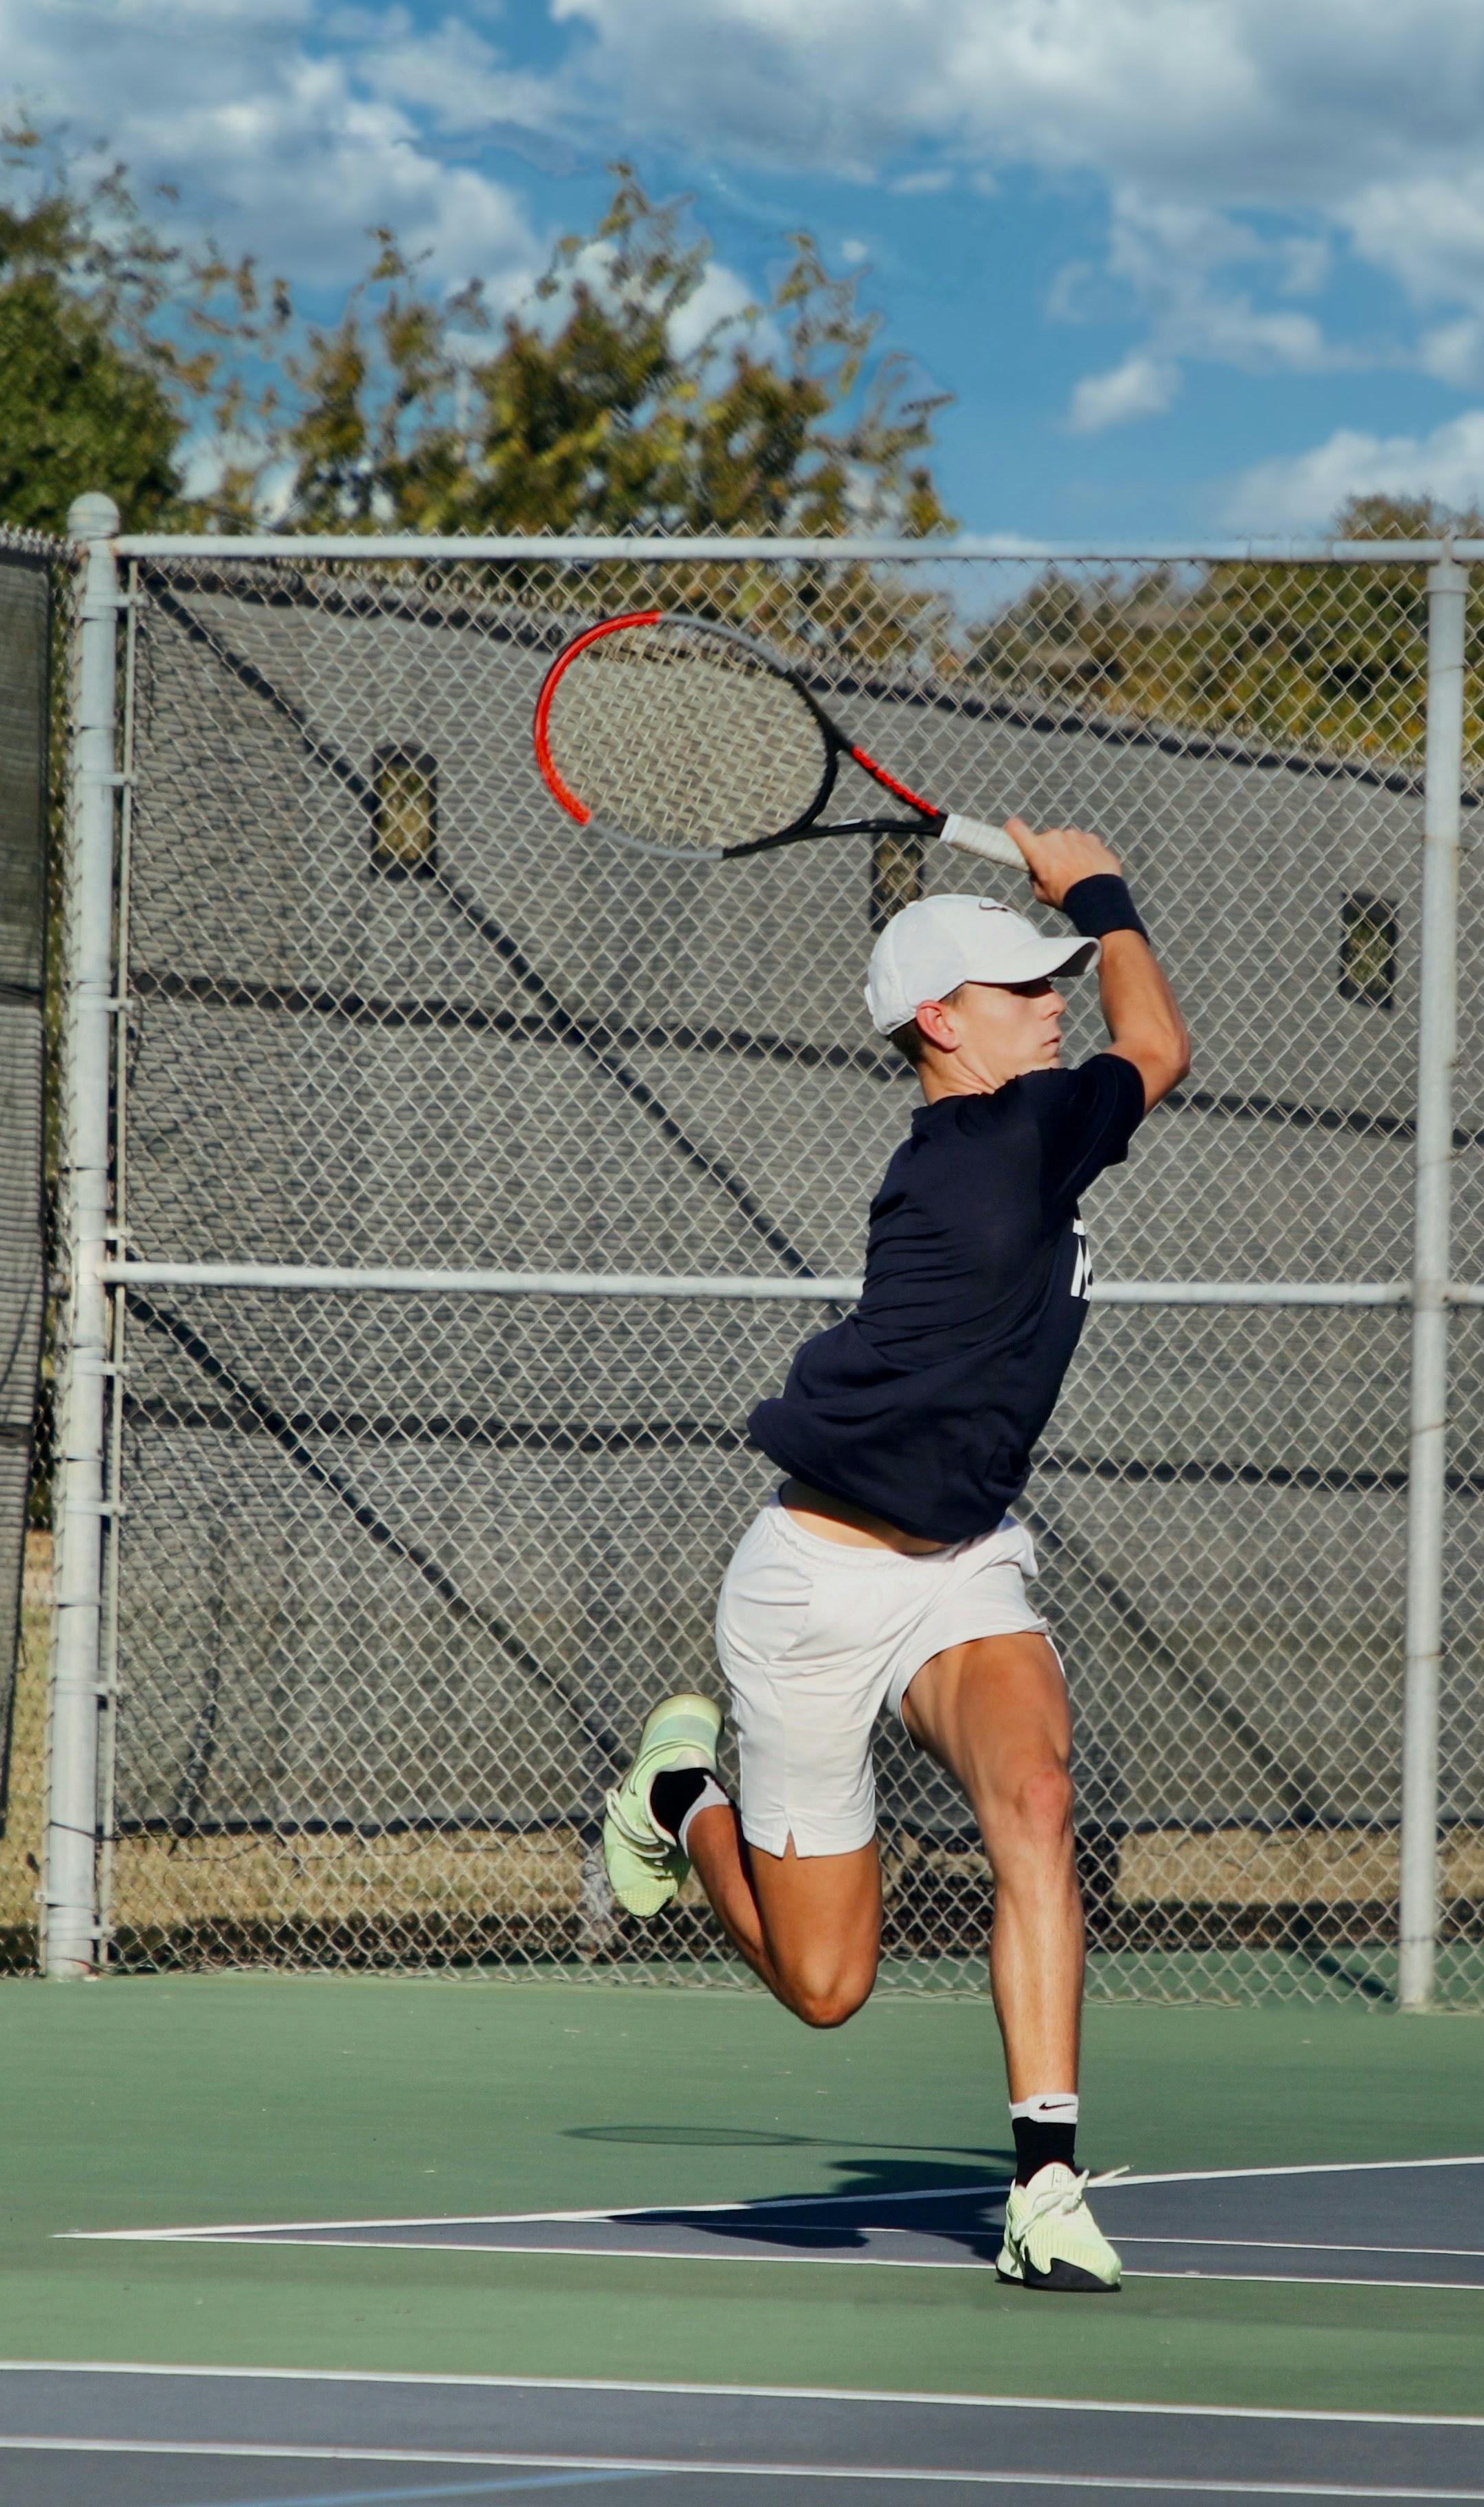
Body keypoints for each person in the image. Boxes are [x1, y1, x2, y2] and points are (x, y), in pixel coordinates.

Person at [597, 821, 1188, 2294]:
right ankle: (681, 1796)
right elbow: (1160, 1043)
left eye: (1056, 978)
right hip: (815, 1588)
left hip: (965, 1564)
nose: (1055, 1002)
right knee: (825, 1987)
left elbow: (1125, 1038)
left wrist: (1064, 914)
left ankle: (1044, 2187)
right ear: (942, 1022)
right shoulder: (1006, 1142)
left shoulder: (1016, 1129)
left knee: (1038, 1796)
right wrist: (1098, 892)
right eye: (1021, 987)